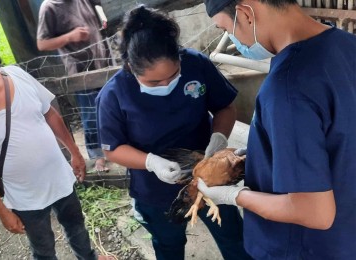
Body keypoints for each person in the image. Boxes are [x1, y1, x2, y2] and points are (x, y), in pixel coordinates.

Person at [199, 0, 356, 259]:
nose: (233, 39)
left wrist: (235, 195)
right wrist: (268, 151)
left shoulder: (287, 87)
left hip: (307, 247)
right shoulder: (347, 45)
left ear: (246, 13)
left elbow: (315, 213)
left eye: (226, 29)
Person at [96, 5, 252, 260]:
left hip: (210, 177)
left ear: (179, 57)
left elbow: (224, 106)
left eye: (174, 75)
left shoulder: (196, 65)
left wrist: (219, 137)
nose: (167, 84)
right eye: (154, 83)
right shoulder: (114, 95)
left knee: (235, 239)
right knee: (168, 246)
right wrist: (150, 162)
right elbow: (112, 148)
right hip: (156, 190)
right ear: (131, 68)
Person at [0, 32, 112, 260]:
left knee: (77, 227)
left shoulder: (17, 76)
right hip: (25, 196)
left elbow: (50, 114)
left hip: (59, 177)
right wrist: (3, 212)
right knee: (43, 248)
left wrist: (75, 153)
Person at [37, 0, 110, 172]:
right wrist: (70, 37)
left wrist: (102, 18)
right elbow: (42, 44)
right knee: (91, 114)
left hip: (103, 60)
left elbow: (99, 5)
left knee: (112, 108)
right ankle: (98, 156)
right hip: (80, 70)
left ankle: (119, 148)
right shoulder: (49, 7)